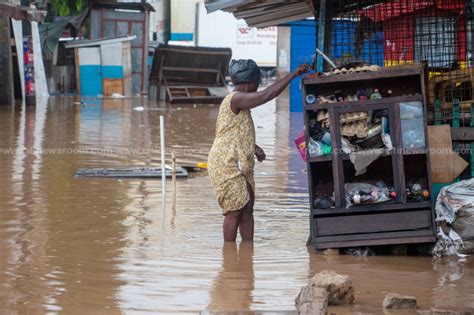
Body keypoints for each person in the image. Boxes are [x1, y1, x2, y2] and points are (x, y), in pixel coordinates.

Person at [207, 59, 310, 242]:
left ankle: (247, 253)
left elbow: (234, 130)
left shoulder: (240, 103)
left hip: (239, 160)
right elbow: (267, 95)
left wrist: (253, 147)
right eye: (257, 82)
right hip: (226, 163)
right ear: (250, 82)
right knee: (234, 211)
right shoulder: (236, 98)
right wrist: (293, 75)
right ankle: (229, 257)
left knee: (247, 209)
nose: (258, 86)